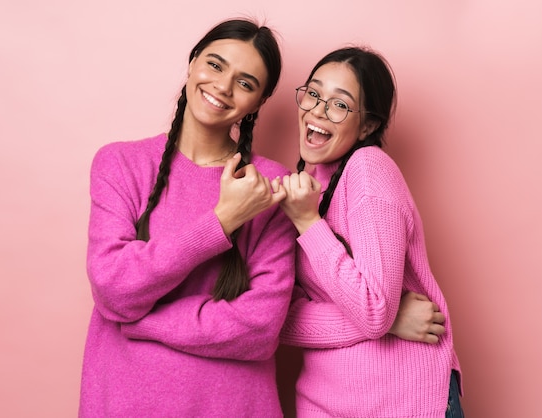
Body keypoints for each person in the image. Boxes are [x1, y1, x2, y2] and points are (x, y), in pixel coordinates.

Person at [79, 18, 296, 417]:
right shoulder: (121, 164)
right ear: (193, 62)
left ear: (260, 102)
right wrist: (221, 221)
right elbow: (113, 287)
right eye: (215, 65)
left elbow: (260, 328)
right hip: (126, 401)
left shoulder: (269, 185)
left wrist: (142, 322)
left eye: (246, 83)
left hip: (230, 406)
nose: (223, 87)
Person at [277, 46, 464, 417]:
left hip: (404, 401)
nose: (317, 110)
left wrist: (308, 224)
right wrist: (392, 320)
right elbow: (281, 321)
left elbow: (373, 309)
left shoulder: (368, 169)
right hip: (323, 403)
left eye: (339, 104)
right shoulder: (305, 190)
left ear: (368, 126)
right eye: (313, 93)